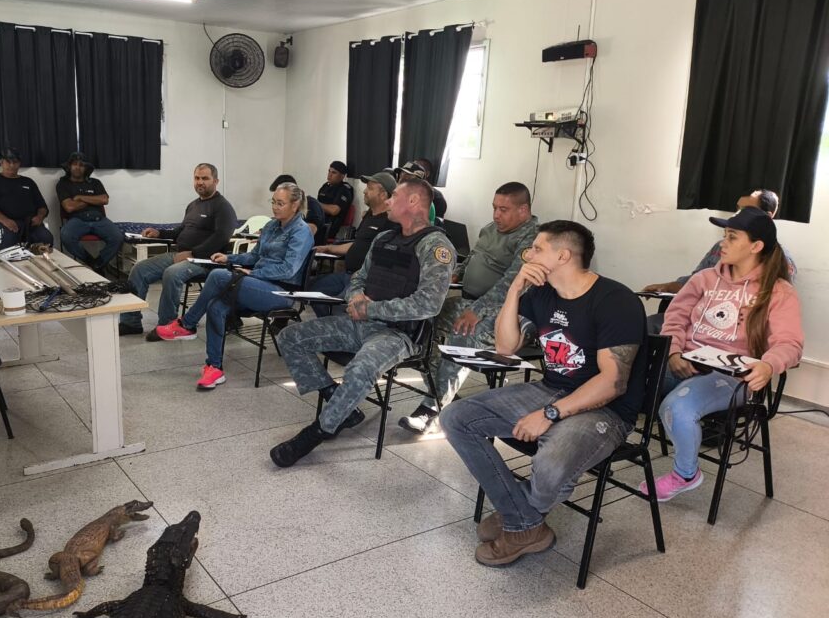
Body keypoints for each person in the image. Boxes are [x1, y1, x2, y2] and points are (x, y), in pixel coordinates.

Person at [441, 221, 646, 567]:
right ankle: (524, 523)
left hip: (606, 409)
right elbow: (505, 347)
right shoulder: (540, 294)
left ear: (563, 256)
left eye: (537, 249)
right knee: (456, 418)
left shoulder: (615, 300)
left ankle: (517, 517)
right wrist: (514, 289)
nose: (528, 256)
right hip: (551, 388)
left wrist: (550, 414)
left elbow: (612, 383)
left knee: (549, 466)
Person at [269, 179, 456, 468]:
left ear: (413, 202)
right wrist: (355, 296)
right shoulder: (384, 238)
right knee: (290, 337)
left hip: (397, 335)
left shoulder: (436, 247)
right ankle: (339, 401)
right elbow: (358, 277)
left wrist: (371, 309)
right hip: (360, 322)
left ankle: (318, 431)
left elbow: (428, 305)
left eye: (395, 196)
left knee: (361, 368)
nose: (389, 201)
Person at [640, 207, 803, 502]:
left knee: (677, 409)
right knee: (626, 383)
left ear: (756, 246)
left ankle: (686, 474)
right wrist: (674, 353)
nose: (722, 243)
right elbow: (674, 319)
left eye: (732, 237)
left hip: (731, 377)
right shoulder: (704, 279)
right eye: (724, 235)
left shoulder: (778, 291)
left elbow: (789, 343)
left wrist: (768, 365)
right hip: (685, 363)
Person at [400, 182, 539, 434]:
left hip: (506, 314)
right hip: (469, 301)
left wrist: (477, 310)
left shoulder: (532, 239)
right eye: (494, 208)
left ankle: (430, 411)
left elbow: (512, 283)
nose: (496, 215)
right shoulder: (490, 229)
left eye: (504, 209)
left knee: (463, 333)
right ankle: (439, 392)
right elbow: (474, 257)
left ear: (523, 210)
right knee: (425, 320)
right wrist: (455, 273)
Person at [154, 182, 314, 390]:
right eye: (273, 202)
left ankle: (187, 324)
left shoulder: (301, 232)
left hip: (281, 291)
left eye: (280, 203)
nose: (275, 207)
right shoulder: (271, 226)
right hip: (258, 284)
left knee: (218, 276)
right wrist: (229, 258)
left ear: (295, 205)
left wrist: (253, 273)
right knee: (215, 306)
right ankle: (214, 367)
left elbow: (288, 270)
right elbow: (254, 256)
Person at [642, 189, 797, 332]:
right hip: (699, 317)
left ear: (767, 217)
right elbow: (695, 281)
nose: (737, 214)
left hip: (733, 327)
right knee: (651, 324)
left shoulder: (781, 264)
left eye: (746, 210)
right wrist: (668, 287)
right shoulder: (719, 250)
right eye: (737, 208)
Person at [119, 164, 238, 339]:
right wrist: (160, 233)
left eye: (205, 178)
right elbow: (180, 231)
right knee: (139, 269)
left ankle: (166, 326)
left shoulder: (223, 207)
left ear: (216, 181)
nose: (200, 182)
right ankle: (131, 322)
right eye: (197, 178)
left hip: (206, 260)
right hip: (181, 255)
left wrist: (193, 253)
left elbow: (222, 237)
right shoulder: (193, 205)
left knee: (172, 273)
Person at [306, 170, 397, 316]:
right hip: (347, 274)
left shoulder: (391, 221)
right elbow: (357, 244)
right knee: (312, 290)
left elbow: (386, 258)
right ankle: (328, 323)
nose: (365, 191)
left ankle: (335, 324)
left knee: (343, 307)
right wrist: (328, 248)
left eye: (370, 188)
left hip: (363, 280)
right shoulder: (369, 215)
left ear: (383, 194)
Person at [56, 152, 124, 272]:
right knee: (66, 236)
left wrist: (80, 197)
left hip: (99, 219)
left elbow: (104, 199)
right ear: (69, 166)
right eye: (75, 164)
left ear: (86, 168)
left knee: (118, 237)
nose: (78, 167)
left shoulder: (95, 182)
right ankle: (91, 262)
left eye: (81, 165)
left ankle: (99, 263)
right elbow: (69, 207)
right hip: (77, 219)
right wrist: (93, 200)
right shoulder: (63, 184)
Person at [0, 149, 53, 249]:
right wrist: (6, 221)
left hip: (30, 223)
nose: (11, 165)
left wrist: (40, 217)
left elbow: (42, 206)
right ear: (1, 162)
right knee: (8, 246)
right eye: (8, 162)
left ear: (19, 163)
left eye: (15, 162)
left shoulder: (28, 182)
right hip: (5, 223)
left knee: (46, 239)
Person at [317, 160, 355, 240]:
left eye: (334, 173)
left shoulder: (344, 190)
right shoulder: (325, 187)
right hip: (319, 222)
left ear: (342, 176)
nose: (329, 175)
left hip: (330, 228)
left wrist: (316, 204)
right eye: (329, 171)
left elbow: (334, 210)